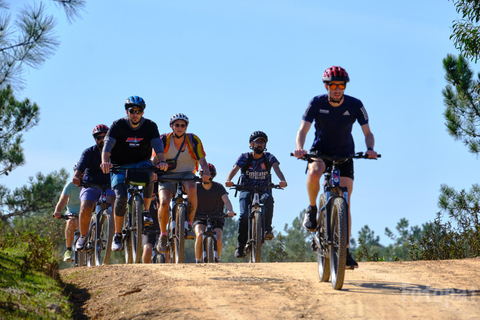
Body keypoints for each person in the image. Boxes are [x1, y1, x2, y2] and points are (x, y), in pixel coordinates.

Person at [293, 65, 378, 269]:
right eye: (333, 86)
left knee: (345, 201)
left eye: (341, 85)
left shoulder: (355, 104)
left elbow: (368, 133)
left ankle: (345, 251)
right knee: (314, 172)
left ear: (345, 87)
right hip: (320, 151)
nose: (337, 89)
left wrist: (370, 148)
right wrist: (299, 148)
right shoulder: (316, 102)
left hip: (345, 155)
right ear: (326, 86)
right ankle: (312, 209)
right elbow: (302, 130)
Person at [100, 96, 168, 252]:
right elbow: (108, 145)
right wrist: (105, 161)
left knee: (150, 173)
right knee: (121, 197)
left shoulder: (150, 126)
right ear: (127, 111)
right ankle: (117, 235)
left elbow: (158, 146)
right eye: (132, 111)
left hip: (141, 162)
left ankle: (145, 211)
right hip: (119, 165)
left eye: (139, 111)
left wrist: (162, 161)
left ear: (143, 112)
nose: (135, 114)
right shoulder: (118, 125)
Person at [153, 113, 211, 253]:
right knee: (164, 202)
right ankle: (163, 235)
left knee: (192, 188)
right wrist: (153, 171)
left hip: (186, 173)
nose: (179, 128)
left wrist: (206, 173)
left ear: (186, 127)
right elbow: (154, 159)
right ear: (171, 126)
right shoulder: (163, 139)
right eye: (177, 125)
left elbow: (202, 160)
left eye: (182, 125)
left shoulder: (193, 139)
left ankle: (189, 224)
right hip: (167, 175)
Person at [225, 131, 287, 259]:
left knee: (269, 199)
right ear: (251, 144)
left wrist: (282, 180)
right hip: (246, 189)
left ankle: (267, 229)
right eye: (257, 142)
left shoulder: (269, 157)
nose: (260, 144)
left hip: (264, 189)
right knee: (243, 215)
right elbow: (235, 169)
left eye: (262, 142)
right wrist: (229, 179)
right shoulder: (245, 157)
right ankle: (241, 245)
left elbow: (277, 169)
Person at [73, 124, 116, 251]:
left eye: (105, 136)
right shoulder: (89, 152)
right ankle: (83, 236)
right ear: (95, 139)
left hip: (109, 186)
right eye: (98, 137)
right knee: (86, 206)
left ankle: (114, 236)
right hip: (90, 186)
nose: (102, 139)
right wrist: (76, 176)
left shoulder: (115, 152)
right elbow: (79, 168)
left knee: (115, 202)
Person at [193, 163, 235, 263]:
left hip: (217, 217)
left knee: (219, 240)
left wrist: (230, 211)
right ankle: (198, 260)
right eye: (204, 174)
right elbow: (189, 200)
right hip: (199, 217)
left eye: (209, 174)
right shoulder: (196, 187)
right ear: (201, 174)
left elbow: (226, 201)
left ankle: (218, 259)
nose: (207, 176)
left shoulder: (219, 187)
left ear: (213, 176)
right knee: (199, 235)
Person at [53, 165, 81, 262]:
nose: (81, 174)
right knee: (71, 222)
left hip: (88, 215)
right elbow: (63, 199)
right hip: (73, 215)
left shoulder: (90, 185)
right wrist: (58, 211)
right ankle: (68, 251)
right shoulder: (70, 185)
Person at [141, 198, 161, 263]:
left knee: (165, 250)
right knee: (147, 250)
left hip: (163, 230)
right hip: (148, 230)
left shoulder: (164, 195)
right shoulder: (142, 198)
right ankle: (147, 271)